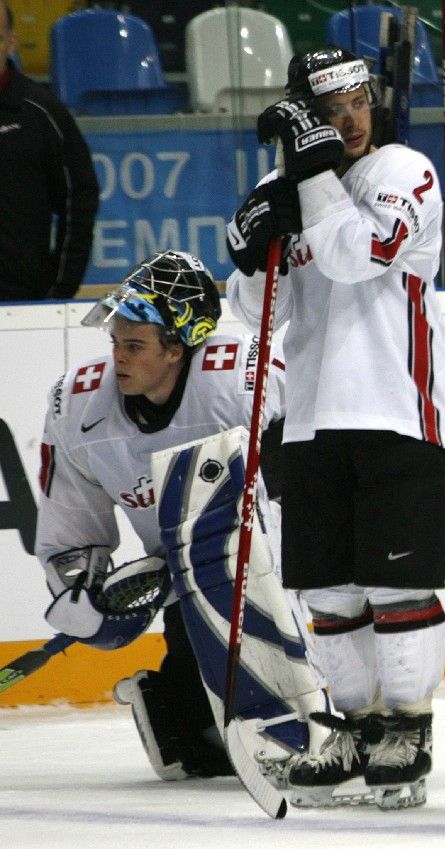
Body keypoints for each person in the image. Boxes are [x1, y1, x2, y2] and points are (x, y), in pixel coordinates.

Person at [225, 46, 445, 810]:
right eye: (331, 109)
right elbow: (260, 307)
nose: (351, 118)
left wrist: (312, 172)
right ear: (304, 113)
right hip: (313, 419)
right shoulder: (286, 183)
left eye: (359, 99)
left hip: (399, 408)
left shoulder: (404, 171)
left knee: (396, 583)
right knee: (328, 591)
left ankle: (409, 727)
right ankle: (358, 730)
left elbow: (362, 255)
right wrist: (251, 251)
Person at [34, 249, 292, 782]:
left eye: (134, 345)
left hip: (269, 561)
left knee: (276, 691)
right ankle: (170, 704)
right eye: (115, 343)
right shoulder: (79, 406)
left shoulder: (243, 379)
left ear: (176, 349)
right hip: (182, 572)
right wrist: (82, 590)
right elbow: (71, 526)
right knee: (202, 754)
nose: (118, 359)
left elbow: (301, 488)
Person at [0, 2, 99, 301]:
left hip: (18, 298)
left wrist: (60, 288)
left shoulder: (41, 113)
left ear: (10, 43)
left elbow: (78, 201)